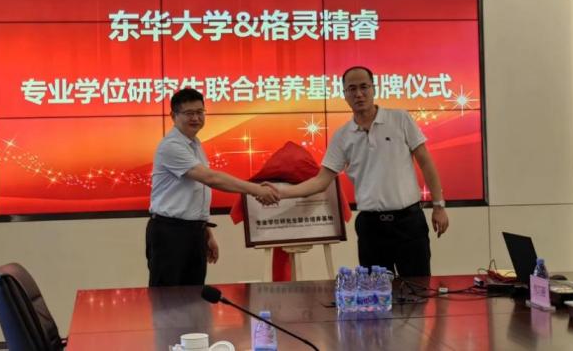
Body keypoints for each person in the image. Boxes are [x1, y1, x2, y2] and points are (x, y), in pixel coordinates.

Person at [273, 66, 448, 276]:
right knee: (375, 292)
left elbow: (425, 162)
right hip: (371, 228)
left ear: (374, 89)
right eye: (352, 89)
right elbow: (321, 181)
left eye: (364, 87)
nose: (359, 94)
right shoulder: (342, 136)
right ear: (344, 94)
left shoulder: (400, 119)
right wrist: (280, 192)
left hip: (409, 222)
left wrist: (438, 206)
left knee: (418, 289)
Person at [146, 88, 280, 287]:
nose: (196, 118)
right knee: (167, 298)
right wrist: (256, 190)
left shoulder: (195, 143)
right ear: (173, 116)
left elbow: (197, 192)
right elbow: (211, 178)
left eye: (200, 112)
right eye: (189, 113)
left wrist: (206, 232)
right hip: (170, 233)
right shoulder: (171, 146)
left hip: (193, 232)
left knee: (194, 295)